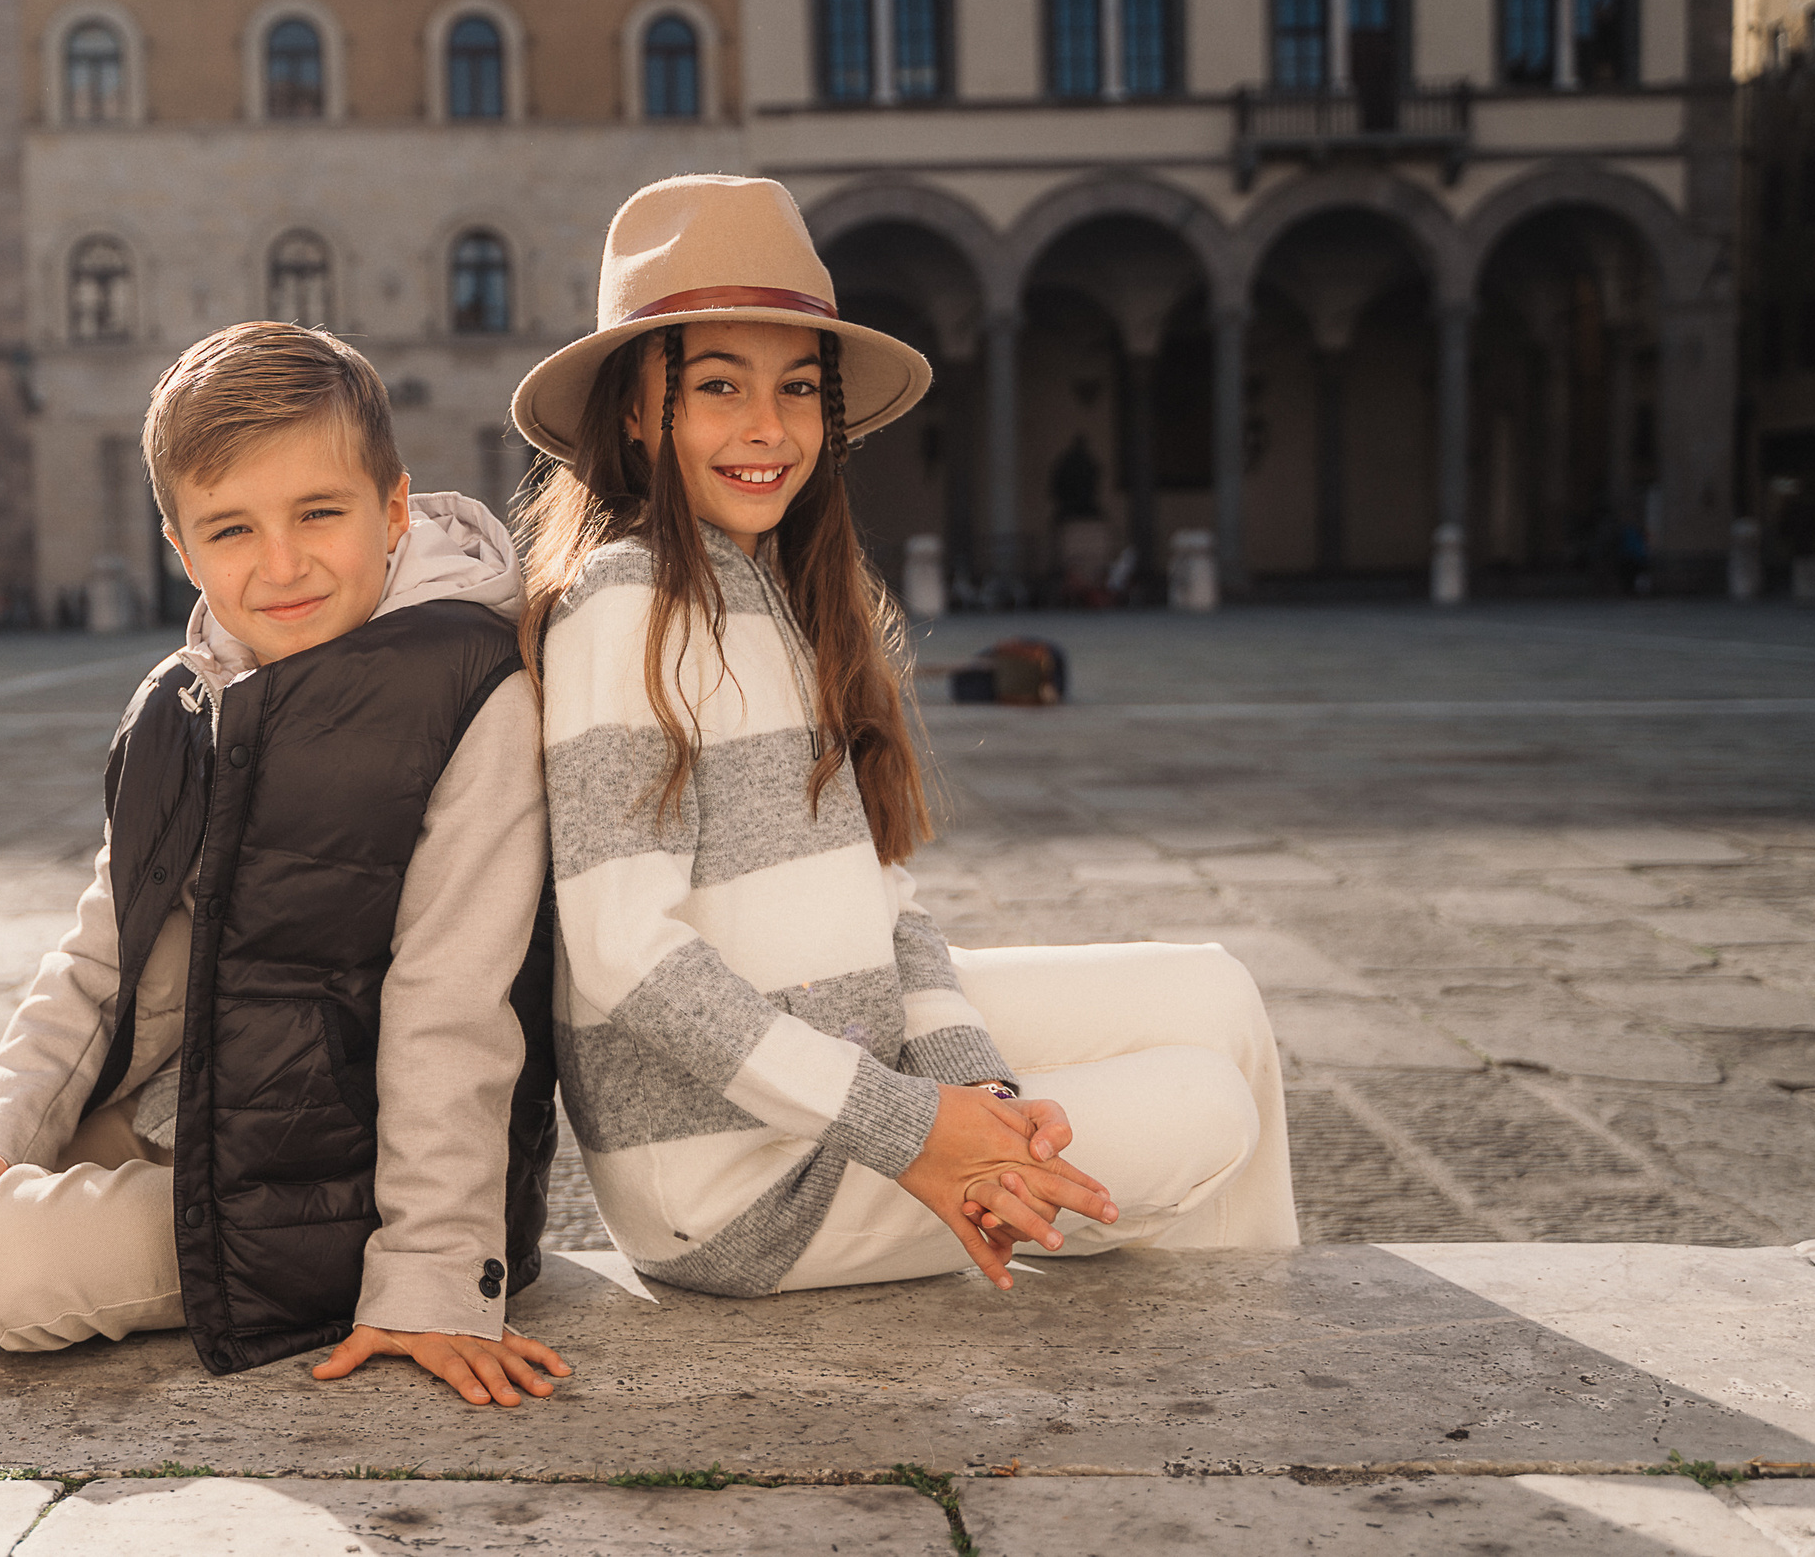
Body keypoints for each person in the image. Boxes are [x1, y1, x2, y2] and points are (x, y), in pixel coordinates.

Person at [511, 175, 1298, 1299]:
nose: (767, 430)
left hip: (853, 1062)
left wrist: (976, 1093)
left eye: (795, 389)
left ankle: (1232, 1349)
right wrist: (916, 1128)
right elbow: (625, 957)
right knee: (1204, 1106)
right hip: (736, 1185)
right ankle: (1241, 1377)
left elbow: (889, 907)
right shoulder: (624, 603)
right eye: (718, 386)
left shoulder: (784, 594)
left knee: (1215, 993)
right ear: (637, 410)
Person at [0, 322, 570, 1408]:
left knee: (7, 1269)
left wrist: (431, 1275)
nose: (281, 564)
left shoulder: (470, 693)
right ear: (183, 549)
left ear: (394, 508)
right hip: (194, 1103)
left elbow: (451, 1007)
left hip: (347, 1181)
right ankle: (42, 1176)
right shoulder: (189, 699)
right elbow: (95, 960)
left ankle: (73, 1211)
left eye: (320, 511)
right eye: (231, 530)